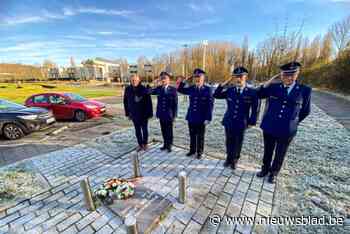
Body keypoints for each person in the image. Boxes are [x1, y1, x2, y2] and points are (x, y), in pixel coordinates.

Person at [257, 61, 312, 183]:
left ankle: (274, 173)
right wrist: (269, 81)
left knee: (280, 153)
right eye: (285, 75)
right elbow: (259, 94)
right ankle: (265, 169)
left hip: (287, 129)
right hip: (270, 126)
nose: (289, 77)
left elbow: (306, 111)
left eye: (292, 74)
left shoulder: (305, 90)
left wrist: (293, 121)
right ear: (281, 75)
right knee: (268, 150)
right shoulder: (273, 87)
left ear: (297, 74)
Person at [213, 67, 259, 169]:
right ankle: (228, 159)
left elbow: (255, 109)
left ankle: (235, 160)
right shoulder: (230, 90)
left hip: (241, 122)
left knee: (238, 142)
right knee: (229, 141)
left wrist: (252, 121)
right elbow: (216, 94)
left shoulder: (252, 92)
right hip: (229, 120)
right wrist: (227, 82)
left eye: (241, 77)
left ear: (245, 77)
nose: (238, 79)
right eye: (236, 77)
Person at [177, 68, 214, 159]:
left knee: (200, 136)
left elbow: (210, 105)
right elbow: (180, 89)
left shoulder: (208, 90)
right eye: (195, 77)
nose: (197, 79)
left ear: (203, 78)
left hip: (202, 117)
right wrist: (185, 80)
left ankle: (199, 152)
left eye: (199, 77)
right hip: (191, 116)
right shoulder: (192, 88)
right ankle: (192, 150)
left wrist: (208, 118)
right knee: (192, 135)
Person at [148, 71, 178, 152]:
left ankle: (169, 145)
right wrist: (152, 83)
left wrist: (174, 115)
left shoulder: (173, 90)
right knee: (163, 130)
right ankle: (165, 144)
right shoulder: (158, 88)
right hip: (161, 113)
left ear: (169, 80)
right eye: (162, 79)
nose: (163, 80)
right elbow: (149, 92)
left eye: (165, 78)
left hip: (169, 114)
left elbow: (175, 104)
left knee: (169, 131)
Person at [123, 74, 153, 151]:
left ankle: (145, 144)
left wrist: (150, 113)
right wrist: (127, 113)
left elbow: (149, 102)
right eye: (132, 80)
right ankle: (140, 144)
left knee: (144, 130)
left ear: (139, 80)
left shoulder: (144, 89)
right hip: (133, 114)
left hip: (144, 114)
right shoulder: (127, 89)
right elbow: (125, 102)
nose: (134, 81)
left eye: (135, 80)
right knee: (137, 130)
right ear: (130, 81)